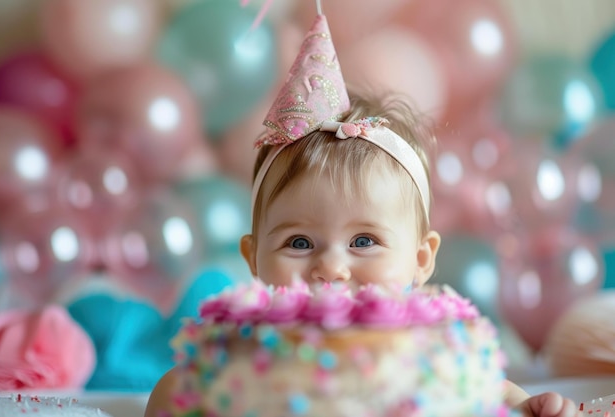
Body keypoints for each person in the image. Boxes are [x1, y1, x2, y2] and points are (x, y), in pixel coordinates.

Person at [146, 9, 581, 417]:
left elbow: (485, 387)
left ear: (421, 259)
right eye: (299, 242)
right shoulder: (247, 351)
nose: (331, 267)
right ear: (253, 258)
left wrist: (524, 404)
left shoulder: (426, 341)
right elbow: (175, 391)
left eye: (364, 241)